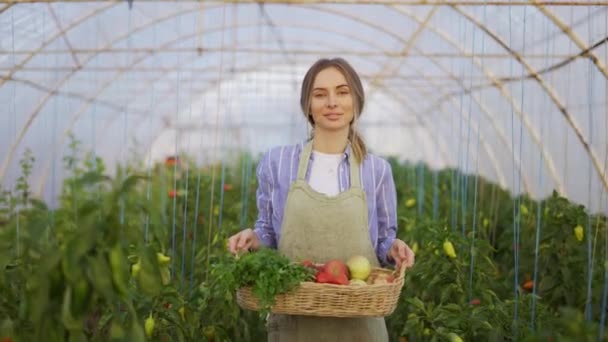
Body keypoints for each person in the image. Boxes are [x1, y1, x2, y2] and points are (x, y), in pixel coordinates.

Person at [228, 57, 415, 341]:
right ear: (308, 106)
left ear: (356, 102)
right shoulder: (277, 163)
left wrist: (395, 249)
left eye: (342, 92)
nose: (332, 102)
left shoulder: (376, 170)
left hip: (359, 324)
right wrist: (251, 238)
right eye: (319, 94)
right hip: (295, 319)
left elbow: (382, 243)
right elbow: (267, 230)